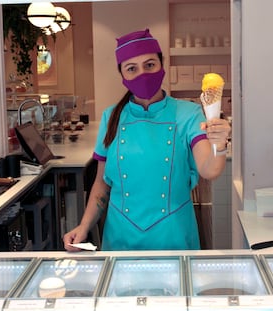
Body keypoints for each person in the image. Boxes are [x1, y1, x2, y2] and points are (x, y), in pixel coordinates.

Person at [63, 29, 231, 251]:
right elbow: (102, 183)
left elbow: (210, 170)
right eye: (132, 68)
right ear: (122, 75)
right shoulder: (111, 117)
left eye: (150, 64)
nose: (142, 73)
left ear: (162, 65)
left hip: (173, 236)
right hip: (120, 237)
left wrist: (219, 145)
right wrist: (84, 226)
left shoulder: (188, 114)